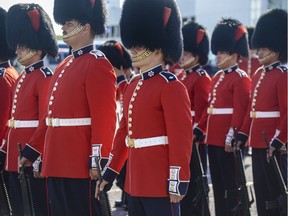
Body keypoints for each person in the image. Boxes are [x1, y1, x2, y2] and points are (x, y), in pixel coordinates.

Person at [98, 0, 193, 215]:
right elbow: (124, 133)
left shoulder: (171, 86)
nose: (133, 49)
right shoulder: (132, 86)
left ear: (158, 49)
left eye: (139, 46)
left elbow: (181, 138)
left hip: (160, 182)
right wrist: (111, 171)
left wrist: (177, 178)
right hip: (135, 182)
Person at [41, 0, 117, 215]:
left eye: (69, 22)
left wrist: (98, 158)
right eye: (63, 23)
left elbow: (104, 118)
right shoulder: (64, 65)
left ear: (86, 26)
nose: (63, 27)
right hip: (57, 158)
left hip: (79, 162)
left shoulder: (97, 63)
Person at [1, 3, 58, 215]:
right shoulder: (23, 76)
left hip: (31, 157)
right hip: (15, 157)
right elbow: (12, 119)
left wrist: (33, 151)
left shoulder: (44, 77)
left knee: (37, 209)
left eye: (22, 46)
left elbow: (46, 120)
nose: (17, 50)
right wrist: (4, 149)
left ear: (37, 46)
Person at [193, 18, 251, 216]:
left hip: (227, 140)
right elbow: (210, 108)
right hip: (213, 139)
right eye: (217, 52)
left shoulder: (240, 78)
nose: (217, 56)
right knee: (217, 186)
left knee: (231, 187)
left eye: (222, 52)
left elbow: (240, 110)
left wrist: (232, 134)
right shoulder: (218, 77)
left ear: (234, 54)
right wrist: (200, 130)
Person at [236, 8, 287, 216]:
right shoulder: (258, 74)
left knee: (277, 195)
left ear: (276, 49)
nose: (259, 53)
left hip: (272, 143)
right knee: (261, 192)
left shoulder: (283, 75)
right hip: (257, 142)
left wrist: (278, 140)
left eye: (264, 49)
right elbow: (251, 110)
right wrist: (242, 133)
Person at [179, 21, 211, 216]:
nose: (182, 56)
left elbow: (205, 109)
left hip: (193, 139)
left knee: (196, 182)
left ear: (196, 55)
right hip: (182, 136)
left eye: (186, 52)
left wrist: (197, 132)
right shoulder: (183, 76)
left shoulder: (201, 77)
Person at [98, 40, 134, 210]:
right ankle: (125, 198)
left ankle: (127, 198)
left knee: (126, 172)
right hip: (117, 134)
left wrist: (119, 76)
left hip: (128, 136)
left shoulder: (127, 82)